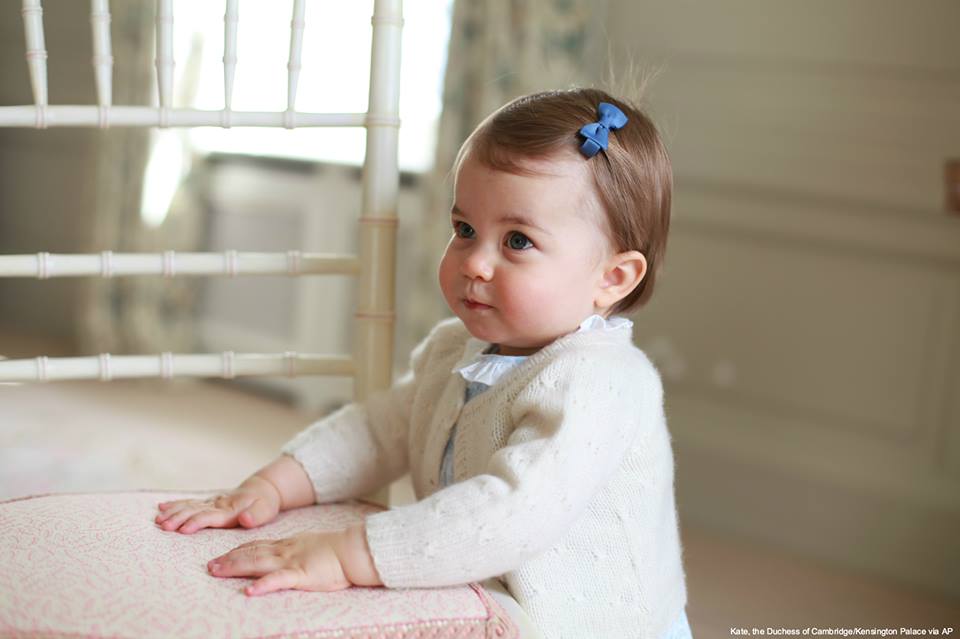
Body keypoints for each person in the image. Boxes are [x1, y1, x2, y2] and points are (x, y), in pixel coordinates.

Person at [155, 87, 691, 639]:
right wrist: (274, 484)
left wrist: (346, 555)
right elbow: (377, 431)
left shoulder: (603, 383)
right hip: (487, 601)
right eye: (465, 230)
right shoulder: (453, 349)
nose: (475, 263)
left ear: (612, 278)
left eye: (517, 241)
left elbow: (510, 514)